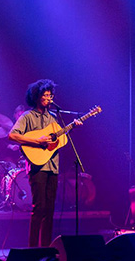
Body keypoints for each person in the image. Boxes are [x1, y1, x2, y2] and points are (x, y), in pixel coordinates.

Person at [8, 79, 81, 247]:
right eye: (45, 95)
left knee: (50, 210)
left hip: (53, 167)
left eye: (50, 95)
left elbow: (60, 139)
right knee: (39, 207)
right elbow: (12, 135)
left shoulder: (54, 118)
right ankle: (33, 248)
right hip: (37, 167)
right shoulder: (27, 117)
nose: (49, 98)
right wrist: (36, 141)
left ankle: (46, 247)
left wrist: (73, 127)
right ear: (36, 96)